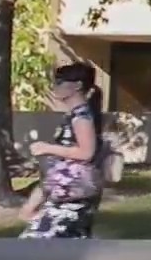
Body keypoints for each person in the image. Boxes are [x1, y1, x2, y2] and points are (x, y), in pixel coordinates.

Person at [18, 63, 106, 239]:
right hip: (63, 195)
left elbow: (86, 152)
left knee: (35, 246)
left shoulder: (82, 117)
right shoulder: (73, 116)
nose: (55, 87)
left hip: (74, 198)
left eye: (60, 82)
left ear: (77, 86)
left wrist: (47, 148)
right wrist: (33, 202)